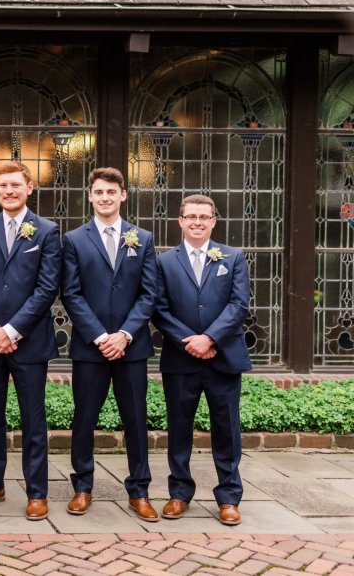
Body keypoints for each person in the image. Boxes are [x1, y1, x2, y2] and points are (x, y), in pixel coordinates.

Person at [0, 161, 61, 520]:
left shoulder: (47, 231)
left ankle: (37, 492)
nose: (9, 191)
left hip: (29, 341)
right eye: (3, 185)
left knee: (33, 418)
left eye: (16, 185)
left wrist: (13, 330)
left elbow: (47, 287)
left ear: (29, 188)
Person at [61, 167, 160, 521]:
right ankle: (82, 488)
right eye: (99, 192)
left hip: (131, 348)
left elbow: (149, 293)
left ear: (123, 195)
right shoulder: (74, 240)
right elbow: (71, 293)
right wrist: (102, 336)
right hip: (91, 348)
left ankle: (140, 490)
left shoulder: (142, 238)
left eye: (111, 192)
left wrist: (125, 334)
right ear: (90, 196)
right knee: (84, 419)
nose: (105, 197)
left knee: (136, 420)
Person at [153, 194, 251, 526]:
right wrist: (190, 342)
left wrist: (209, 339)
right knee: (179, 428)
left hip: (223, 357)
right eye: (191, 216)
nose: (197, 222)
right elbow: (159, 309)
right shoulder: (164, 262)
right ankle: (179, 493)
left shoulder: (233, 257)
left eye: (204, 217)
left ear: (213, 221)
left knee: (227, 429)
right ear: (180, 221)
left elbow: (238, 305)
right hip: (181, 360)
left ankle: (229, 497)